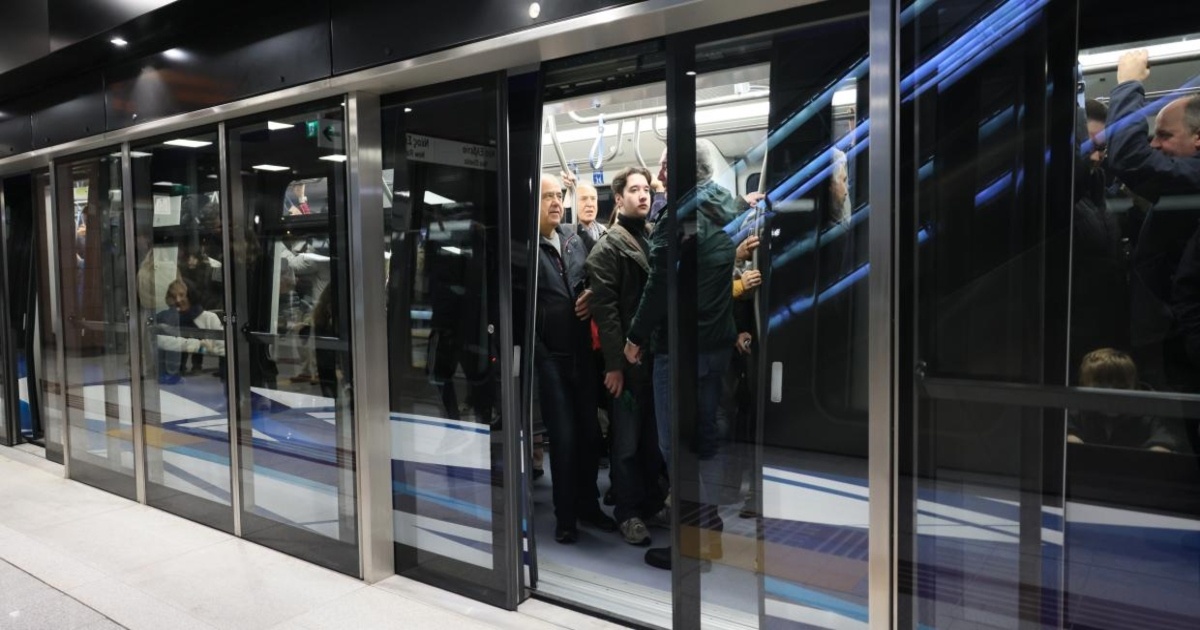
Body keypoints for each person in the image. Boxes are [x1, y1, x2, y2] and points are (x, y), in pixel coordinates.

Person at [624, 144, 745, 569]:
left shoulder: (676, 218)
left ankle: (690, 546)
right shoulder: (727, 207)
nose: (658, 176)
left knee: (675, 445)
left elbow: (659, 285)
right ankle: (710, 529)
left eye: (663, 166)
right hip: (716, 346)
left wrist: (635, 336)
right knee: (704, 440)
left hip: (679, 349)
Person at [1105, 50, 1200, 392]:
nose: (1154, 144)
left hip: (1179, 341)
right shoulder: (1185, 182)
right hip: (1170, 337)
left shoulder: (1195, 175)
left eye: (1164, 135)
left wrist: (1128, 84)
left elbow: (1130, 158)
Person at [586, 166, 668, 547]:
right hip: (628, 362)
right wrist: (615, 367)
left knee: (652, 440)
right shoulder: (608, 249)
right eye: (634, 190)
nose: (643, 195)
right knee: (627, 443)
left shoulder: (651, 237)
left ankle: (649, 503)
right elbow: (607, 315)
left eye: (646, 189)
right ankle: (628, 512)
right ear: (618, 200)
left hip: (653, 357)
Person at [534, 173, 615, 544]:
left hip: (582, 353)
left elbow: (594, 278)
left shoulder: (573, 238)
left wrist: (591, 294)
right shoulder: (525, 248)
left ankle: (588, 505)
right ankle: (565, 516)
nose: (556, 202)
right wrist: (541, 356)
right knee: (564, 439)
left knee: (589, 434)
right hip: (551, 357)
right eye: (547, 196)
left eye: (558, 195)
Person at [1067, 348, 1184, 452]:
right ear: (1084, 387)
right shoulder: (1075, 407)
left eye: (1121, 388)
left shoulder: (1152, 410)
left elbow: (1164, 440)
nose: (1112, 397)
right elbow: (1064, 428)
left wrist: (1159, 449)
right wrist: (1069, 439)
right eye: (1100, 388)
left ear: (1135, 388)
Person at [154, 279, 224, 384]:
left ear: (191, 295)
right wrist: (199, 346)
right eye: (173, 296)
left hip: (205, 383)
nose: (178, 300)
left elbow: (223, 348)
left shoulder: (209, 318)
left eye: (182, 295)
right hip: (168, 382)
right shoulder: (164, 317)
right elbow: (160, 342)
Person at [575, 182, 607, 250]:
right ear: (574, 203)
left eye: (593, 199)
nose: (590, 204)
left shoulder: (603, 230)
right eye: (583, 199)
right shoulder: (569, 232)